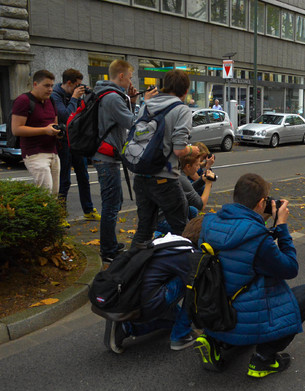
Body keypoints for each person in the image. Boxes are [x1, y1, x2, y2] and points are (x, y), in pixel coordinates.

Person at [193, 173, 305, 379]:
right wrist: (282, 228)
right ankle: (263, 358)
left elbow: (238, 243)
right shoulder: (258, 237)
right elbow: (289, 268)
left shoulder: (209, 223)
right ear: (261, 202)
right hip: (243, 317)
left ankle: (214, 341)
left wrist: (259, 222)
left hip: (213, 311)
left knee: (238, 280)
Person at [104, 219, 205, 354]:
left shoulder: (167, 240)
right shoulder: (187, 253)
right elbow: (196, 287)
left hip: (131, 296)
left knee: (172, 321)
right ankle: (181, 336)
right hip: (149, 301)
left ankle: (125, 327)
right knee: (193, 281)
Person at [93, 60, 156, 262]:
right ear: (121, 76)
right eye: (129, 76)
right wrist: (145, 102)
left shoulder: (108, 94)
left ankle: (110, 244)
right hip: (106, 157)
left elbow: (124, 118)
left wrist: (133, 101)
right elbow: (133, 123)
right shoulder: (112, 98)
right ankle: (108, 251)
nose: (130, 81)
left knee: (114, 202)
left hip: (107, 155)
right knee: (111, 205)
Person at [131, 70, 201, 248]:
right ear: (185, 91)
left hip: (141, 176)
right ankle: (186, 269)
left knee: (144, 229)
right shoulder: (181, 110)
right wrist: (192, 149)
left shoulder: (147, 105)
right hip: (165, 179)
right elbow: (179, 150)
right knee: (182, 230)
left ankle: (131, 269)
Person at [51, 68, 100, 222]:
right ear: (69, 83)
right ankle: (60, 215)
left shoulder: (76, 95)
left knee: (83, 176)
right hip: (63, 141)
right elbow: (66, 116)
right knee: (64, 179)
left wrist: (89, 96)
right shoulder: (55, 96)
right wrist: (74, 98)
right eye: (77, 84)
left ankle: (88, 210)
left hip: (77, 141)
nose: (79, 87)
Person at [11, 69, 61, 194]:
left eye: (51, 86)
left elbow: (54, 125)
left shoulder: (51, 100)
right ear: (35, 84)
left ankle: (52, 214)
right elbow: (16, 129)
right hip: (34, 153)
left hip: (53, 152)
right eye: (46, 86)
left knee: (54, 194)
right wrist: (45, 130)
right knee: (46, 193)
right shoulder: (23, 100)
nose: (50, 89)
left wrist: (58, 132)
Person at [179, 149, 215, 220]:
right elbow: (201, 205)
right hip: (165, 218)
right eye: (197, 165)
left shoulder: (179, 173)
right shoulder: (182, 179)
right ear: (188, 166)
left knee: (193, 211)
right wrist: (208, 182)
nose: (198, 168)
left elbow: (189, 189)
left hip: (170, 210)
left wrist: (201, 180)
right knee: (189, 227)